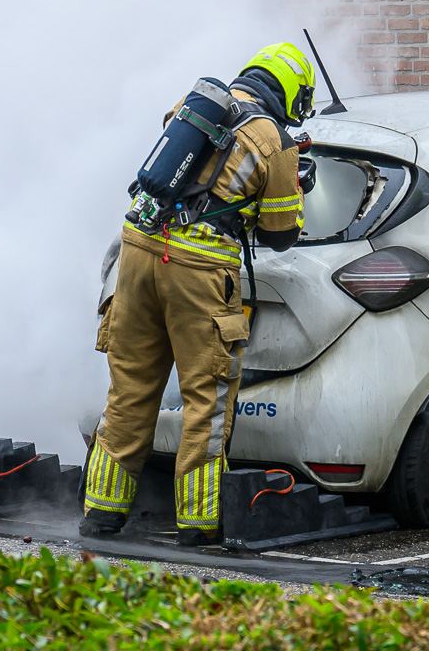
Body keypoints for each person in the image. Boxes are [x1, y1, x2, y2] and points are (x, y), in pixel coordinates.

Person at [81, 43, 312, 546]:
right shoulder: (272, 138)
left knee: (130, 391)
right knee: (204, 402)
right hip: (198, 271)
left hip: (137, 251)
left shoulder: (197, 105)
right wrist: (294, 183)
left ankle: (101, 513)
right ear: (291, 95)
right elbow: (280, 234)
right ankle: (199, 525)